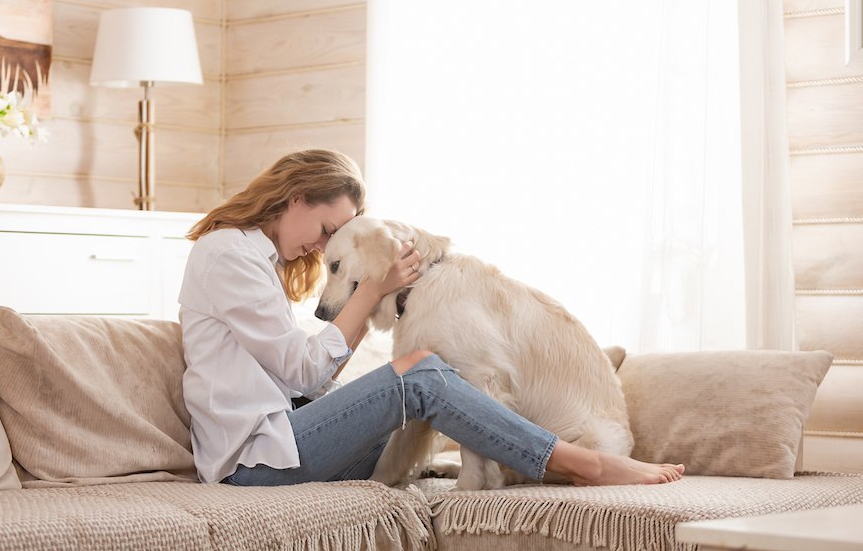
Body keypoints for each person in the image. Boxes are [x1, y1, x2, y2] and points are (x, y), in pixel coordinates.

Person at [178, 149, 685, 488]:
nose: (320, 245)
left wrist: (374, 298)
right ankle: (586, 462)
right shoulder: (228, 255)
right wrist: (372, 289)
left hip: (288, 441)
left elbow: (308, 380)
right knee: (419, 371)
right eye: (326, 227)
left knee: (425, 378)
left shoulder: (260, 261)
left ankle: (514, 462)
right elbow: (303, 370)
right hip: (255, 463)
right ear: (295, 198)